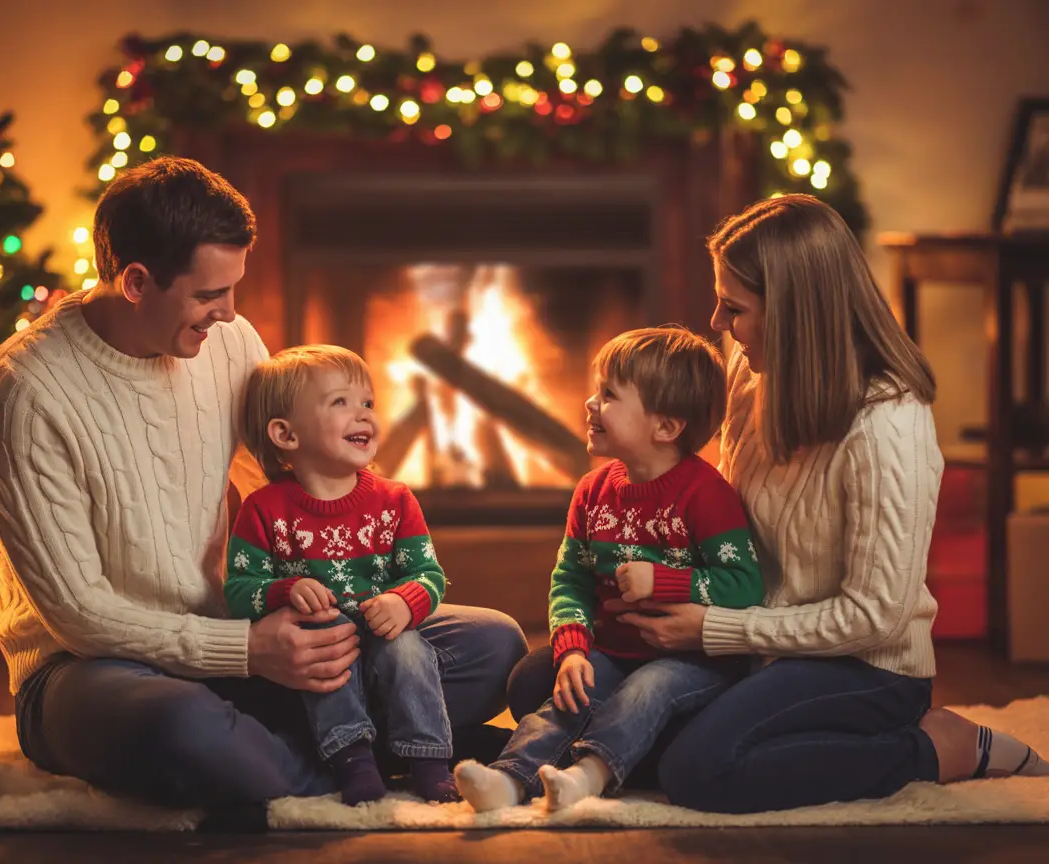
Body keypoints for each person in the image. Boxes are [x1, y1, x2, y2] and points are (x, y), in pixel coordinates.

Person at [0, 156, 526, 821]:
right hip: (94, 670)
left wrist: (348, 602)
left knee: (495, 645)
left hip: (236, 637)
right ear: (137, 281)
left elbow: (292, 480)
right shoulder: (26, 391)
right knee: (183, 730)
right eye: (209, 295)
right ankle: (366, 754)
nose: (228, 313)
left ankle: (316, 753)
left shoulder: (229, 343)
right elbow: (79, 613)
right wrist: (248, 650)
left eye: (234, 288)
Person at [507, 194, 1048, 814]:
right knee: (538, 683)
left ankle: (935, 749)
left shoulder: (888, 426)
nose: (715, 323)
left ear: (794, 314)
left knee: (700, 771)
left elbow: (876, 617)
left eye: (733, 307)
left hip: (861, 666)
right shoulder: (749, 369)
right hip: (750, 639)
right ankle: (645, 741)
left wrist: (714, 627)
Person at [455, 327, 763, 812]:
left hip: (696, 661)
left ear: (665, 427)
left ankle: (588, 776)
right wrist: (573, 648)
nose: (591, 403)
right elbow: (570, 581)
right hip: (613, 649)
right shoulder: (593, 491)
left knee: (649, 688)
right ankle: (509, 780)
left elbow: (745, 585)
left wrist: (662, 581)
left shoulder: (707, 495)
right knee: (567, 695)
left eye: (610, 395)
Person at [224, 344, 458, 805]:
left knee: (410, 647)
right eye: (341, 403)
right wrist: (284, 590)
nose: (363, 415)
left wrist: (403, 601)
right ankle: (352, 759)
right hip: (323, 654)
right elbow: (237, 592)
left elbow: (429, 574)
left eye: (367, 403)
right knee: (323, 637)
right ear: (286, 435)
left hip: (382, 637)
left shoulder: (395, 501)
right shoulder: (264, 510)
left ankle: (429, 758)